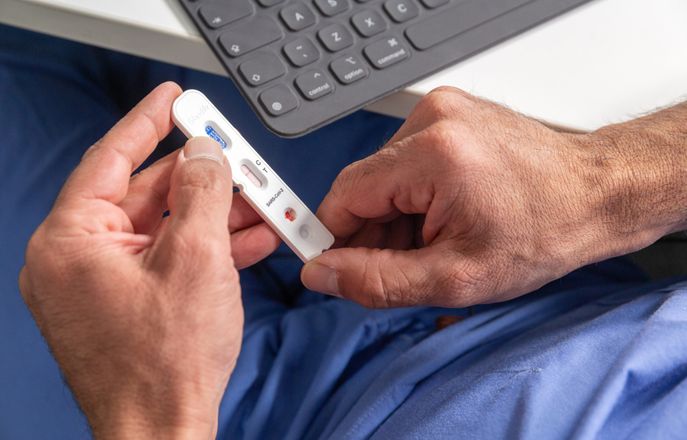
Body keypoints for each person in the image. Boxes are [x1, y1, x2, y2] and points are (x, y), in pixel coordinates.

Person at [2, 25, 687, 439]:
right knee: (148, 32)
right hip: (540, 268)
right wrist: (605, 185)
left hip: (236, 415)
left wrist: (154, 415)